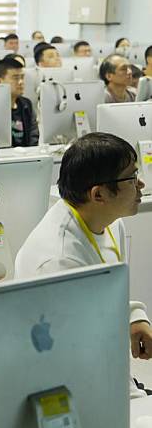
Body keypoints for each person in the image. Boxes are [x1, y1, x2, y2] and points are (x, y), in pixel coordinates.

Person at [15, 132, 152, 399]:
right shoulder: (59, 260)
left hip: (109, 375)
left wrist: (134, 317)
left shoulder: (109, 224)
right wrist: (136, 400)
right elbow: (72, 361)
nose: (142, 184)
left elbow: (104, 292)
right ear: (98, 194)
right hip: (76, 391)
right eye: (131, 178)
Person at [0, 56, 38, 147]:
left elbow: (33, 137)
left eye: (22, 77)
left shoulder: (26, 104)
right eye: (15, 78)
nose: (21, 82)